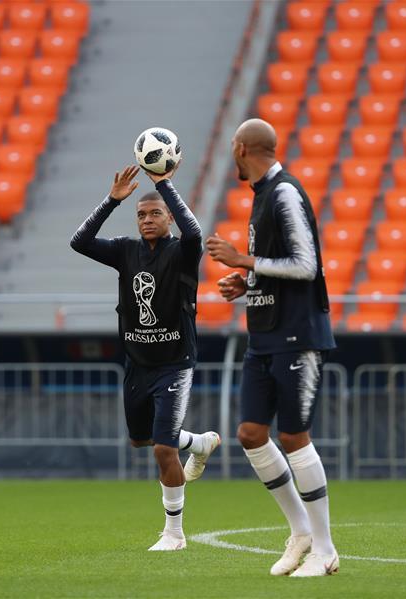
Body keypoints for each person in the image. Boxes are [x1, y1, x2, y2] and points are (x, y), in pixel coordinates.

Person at [207, 118, 338, 577]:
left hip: (297, 335)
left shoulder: (284, 192)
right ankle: (300, 531)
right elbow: (279, 268)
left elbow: (306, 265)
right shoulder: (262, 194)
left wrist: (243, 259)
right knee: (250, 433)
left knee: (294, 437)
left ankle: (325, 549)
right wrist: (247, 283)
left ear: (242, 148)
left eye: (232, 145)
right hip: (263, 334)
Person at [70, 164, 220, 551]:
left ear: (168, 217)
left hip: (175, 364)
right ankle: (198, 443)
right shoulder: (125, 251)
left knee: (162, 448)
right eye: (141, 214)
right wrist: (112, 201)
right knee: (142, 440)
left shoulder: (182, 252)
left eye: (155, 213)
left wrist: (163, 184)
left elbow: (195, 233)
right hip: (137, 365)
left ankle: (174, 534)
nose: (147, 220)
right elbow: (79, 242)